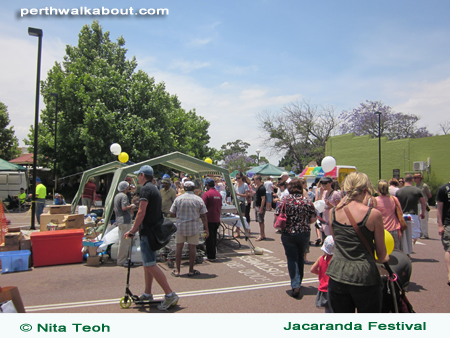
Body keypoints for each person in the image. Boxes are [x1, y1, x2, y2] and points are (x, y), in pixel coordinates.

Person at [326, 172, 389, 313]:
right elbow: (381, 253)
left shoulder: (333, 212)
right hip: (364, 275)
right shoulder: (373, 214)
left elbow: (336, 241)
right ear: (365, 191)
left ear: (346, 190)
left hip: (338, 272)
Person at [123, 165, 179, 311]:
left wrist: (132, 230)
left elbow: (141, 212)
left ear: (142, 175)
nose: (136, 178)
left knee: (149, 265)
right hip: (152, 231)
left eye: (138, 176)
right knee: (148, 263)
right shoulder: (153, 188)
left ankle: (170, 294)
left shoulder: (145, 189)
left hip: (147, 231)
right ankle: (147, 293)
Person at [275, 178, 316, 298]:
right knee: (300, 258)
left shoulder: (285, 200)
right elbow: (314, 218)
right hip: (303, 232)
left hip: (288, 232)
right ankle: (298, 282)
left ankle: (295, 284)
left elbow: (277, 213)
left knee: (292, 258)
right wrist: (304, 221)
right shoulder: (306, 201)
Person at [170, 180, 209, 276]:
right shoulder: (198, 199)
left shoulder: (178, 199)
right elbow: (203, 216)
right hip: (193, 227)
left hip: (180, 227)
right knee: (192, 248)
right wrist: (206, 228)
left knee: (179, 248)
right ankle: (191, 270)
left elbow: (172, 212)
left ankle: (177, 270)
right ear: (194, 188)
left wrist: (179, 216)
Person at [395, 174, 426, 253]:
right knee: (416, 234)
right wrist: (423, 212)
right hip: (413, 215)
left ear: (404, 180)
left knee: (403, 234)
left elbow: (395, 204)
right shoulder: (417, 190)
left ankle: (405, 249)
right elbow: (423, 202)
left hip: (402, 215)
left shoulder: (399, 191)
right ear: (412, 180)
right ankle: (409, 247)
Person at [375, 180, 402, 250]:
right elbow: (400, 212)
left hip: (380, 229)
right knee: (395, 251)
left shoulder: (374, 200)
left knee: (380, 251)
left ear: (378, 189)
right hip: (393, 228)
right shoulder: (394, 199)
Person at [311, 235, 334, 313]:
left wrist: (321, 273)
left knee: (327, 310)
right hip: (333, 289)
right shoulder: (335, 260)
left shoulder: (321, 258)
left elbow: (312, 270)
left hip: (323, 289)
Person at [114, 181, 135, 266]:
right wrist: (131, 206)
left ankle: (121, 259)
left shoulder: (117, 196)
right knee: (125, 242)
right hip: (125, 220)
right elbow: (124, 208)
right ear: (126, 188)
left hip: (119, 220)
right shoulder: (124, 196)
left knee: (121, 240)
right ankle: (122, 260)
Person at [202, 178, 223, 261]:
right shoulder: (219, 194)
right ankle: (212, 253)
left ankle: (211, 255)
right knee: (213, 237)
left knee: (209, 238)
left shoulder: (207, 194)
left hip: (209, 219)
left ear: (207, 185)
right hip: (216, 218)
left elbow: (203, 207)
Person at [436, 181, 450, 286]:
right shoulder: (443, 189)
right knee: (449, 248)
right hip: (448, 223)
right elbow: (439, 208)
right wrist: (440, 225)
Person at [413, 173, 432, 239]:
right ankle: (420, 233)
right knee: (418, 219)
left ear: (420, 178)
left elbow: (429, 195)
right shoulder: (415, 186)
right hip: (417, 204)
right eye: (414, 178)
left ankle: (425, 234)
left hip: (423, 203)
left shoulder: (424, 186)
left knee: (424, 219)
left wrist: (425, 199)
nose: (414, 179)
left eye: (416, 178)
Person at [234, 172, 249, 238]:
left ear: (242, 177)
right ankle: (238, 232)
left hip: (242, 202)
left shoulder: (245, 185)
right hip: (236, 202)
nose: (237, 179)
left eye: (239, 178)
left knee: (243, 218)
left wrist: (238, 194)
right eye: (236, 178)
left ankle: (247, 232)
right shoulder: (235, 185)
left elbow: (246, 195)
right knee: (236, 218)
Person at [254, 175, 267, 241]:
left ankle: (261, 235)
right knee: (260, 221)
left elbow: (263, 199)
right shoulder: (259, 187)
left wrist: (261, 208)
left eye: (255, 180)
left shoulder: (262, 188)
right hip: (257, 205)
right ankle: (263, 234)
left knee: (261, 221)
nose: (254, 181)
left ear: (258, 180)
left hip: (260, 206)